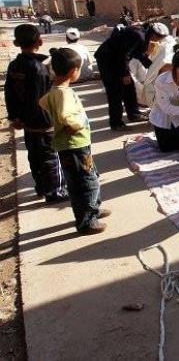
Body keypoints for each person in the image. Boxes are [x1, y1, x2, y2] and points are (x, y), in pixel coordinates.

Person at [39, 48, 109, 234]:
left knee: (82, 179)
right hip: (75, 145)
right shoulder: (64, 93)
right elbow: (64, 115)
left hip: (70, 146)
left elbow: (43, 102)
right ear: (74, 71)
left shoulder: (55, 90)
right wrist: (75, 123)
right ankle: (87, 220)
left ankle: (92, 209)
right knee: (87, 182)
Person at [5, 24, 68, 203]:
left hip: (27, 122)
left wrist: (15, 116)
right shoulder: (39, 69)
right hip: (43, 122)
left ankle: (41, 186)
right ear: (40, 41)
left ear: (16, 42)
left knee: (35, 156)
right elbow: (39, 99)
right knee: (50, 157)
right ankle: (55, 191)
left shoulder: (14, 66)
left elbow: (9, 93)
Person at [94, 24, 151, 130]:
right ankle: (116, 123)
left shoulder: (141, 35)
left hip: (117, 60)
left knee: (129, 87)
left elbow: (136, 52)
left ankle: (134, 114)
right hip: (108, 61)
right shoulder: (138, 35)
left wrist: (150, 66)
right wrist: (124, 74)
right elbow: (123, 55)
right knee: (115, 91)